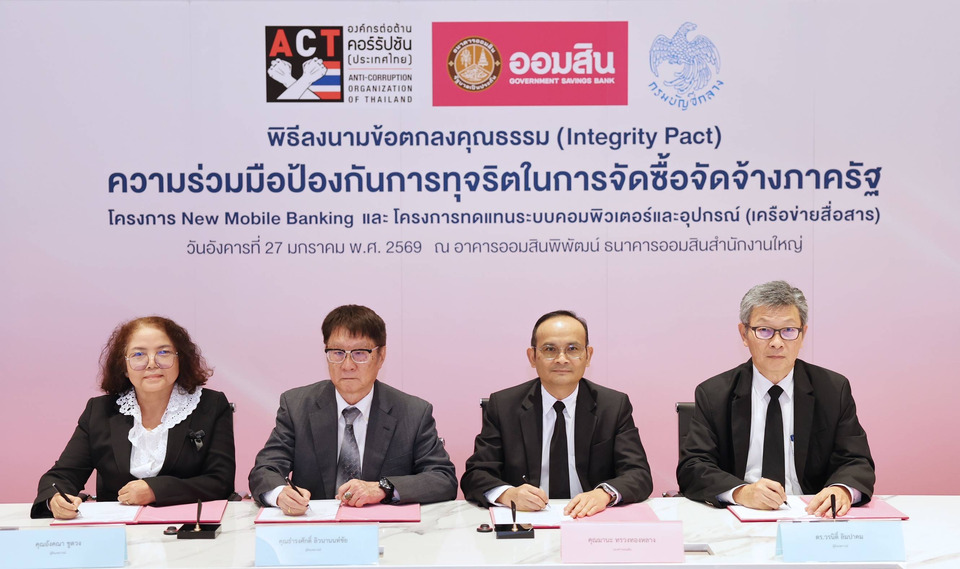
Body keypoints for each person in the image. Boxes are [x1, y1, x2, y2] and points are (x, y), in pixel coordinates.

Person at [677, 281, 875, 517]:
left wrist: (841, 489)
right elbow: (693, 466)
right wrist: (741, 492)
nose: (777, 342)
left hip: (811, 515)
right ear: (744, 334)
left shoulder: (832, 390)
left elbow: (856, 461)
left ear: (803, 335)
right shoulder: (714, 394)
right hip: (740, 514)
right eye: (764, 330)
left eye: (789, 330)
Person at [248, 304, 457, 514]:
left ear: (381, 355)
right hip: (315, 529)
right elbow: (265, 469)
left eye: (359, 353)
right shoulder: (297, 406)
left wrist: (383, 489)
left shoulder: (412, 412)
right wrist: (280, 494)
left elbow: (443, 478)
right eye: (338, 353)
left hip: (386, 529)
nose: (347, 365)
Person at [31, 316, 236, 519]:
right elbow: (61, 476)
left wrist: (156, 490)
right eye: (138, 355)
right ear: (124, 367)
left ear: (180, 359)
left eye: (163, 352)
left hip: (187, 528)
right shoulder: (100, 411)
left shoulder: (211, 405)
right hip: (117, 531)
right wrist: (55, 500)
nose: (152, 364)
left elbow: (220, 481)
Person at [460, 310, 652, 519]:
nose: (562, 359)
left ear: (588, 355)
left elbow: (638, 474)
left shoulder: (613, 406)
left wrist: (604, 494)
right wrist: (508, 494)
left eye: (573, 349)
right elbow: (475, 474)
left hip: (591, 519)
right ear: (532, 357)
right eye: (550, 349)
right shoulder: (504, 406)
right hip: (527, 519)